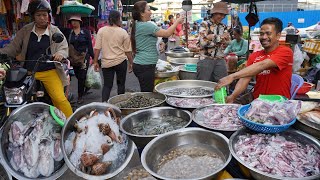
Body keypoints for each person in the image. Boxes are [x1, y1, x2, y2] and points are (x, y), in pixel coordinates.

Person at [0, 0, 73, 117]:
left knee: (60, 99)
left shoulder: (54, 31)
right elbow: (13, 47)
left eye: (44, 15)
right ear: (33, 16)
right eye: (38, 15)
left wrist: (60, 54)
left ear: (48, 15)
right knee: (16, 97)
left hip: (49, 71)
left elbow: (63, 47)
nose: (42, 18)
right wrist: (2, 53)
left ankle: (72, 123)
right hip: (28, 72)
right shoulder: (26, 30)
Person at [215, 17, 293, 103]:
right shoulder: (255, 55)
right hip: (257, 101)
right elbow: (245, 78)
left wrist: (232, 76)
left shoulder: (285, 52)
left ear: (278, 35)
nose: (264, 37)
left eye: (268, 33)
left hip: (278, 103)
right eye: (261, 34)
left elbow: (262, 65)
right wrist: (233, 96)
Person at [131, 0, 184, 92]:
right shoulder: (147, 25)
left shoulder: (139, 25)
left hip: (142, 64)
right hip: (145, 65)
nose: (151, 12)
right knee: (147, 93)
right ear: (142, 14)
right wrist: (177, 22)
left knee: (146, 91)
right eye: (148, 10)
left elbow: (150, 39)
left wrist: (161, 43)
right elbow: (167, 33)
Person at [93, 10, 133, 102]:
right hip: (121, 62)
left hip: (106, 63)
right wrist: (131, 63)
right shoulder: (123, 32)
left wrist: (95, 62)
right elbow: (127, 51)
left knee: (107, 86)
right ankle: (121, 107)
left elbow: (97, 48)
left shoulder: (101, 31)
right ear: (118, 19)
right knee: (121, 84)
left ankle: (104, 106)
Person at [197, 1, 230, 82]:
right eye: (220, 14)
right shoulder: (204, 24)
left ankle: (221, 95)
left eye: (224, 15)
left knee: (223, 84)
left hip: (220, 59)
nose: (222, 17)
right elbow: (203, 42)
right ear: (214, 13)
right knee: (203, 84)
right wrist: (220, 38)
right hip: (206, 58)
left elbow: (228, 42)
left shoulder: (223, 26)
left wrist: (212, 37)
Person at [67, 14, 94, 104]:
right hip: (74, 58)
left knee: (82, 76)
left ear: (79, 22)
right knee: (78, 75)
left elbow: (90, 45)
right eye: (72, 21)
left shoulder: (85, 32)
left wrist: (94, 58)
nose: (73, 23)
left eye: (75, 21)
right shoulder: (69, 33)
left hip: (84, 57)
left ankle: (80, 96)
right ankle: (85, 87)